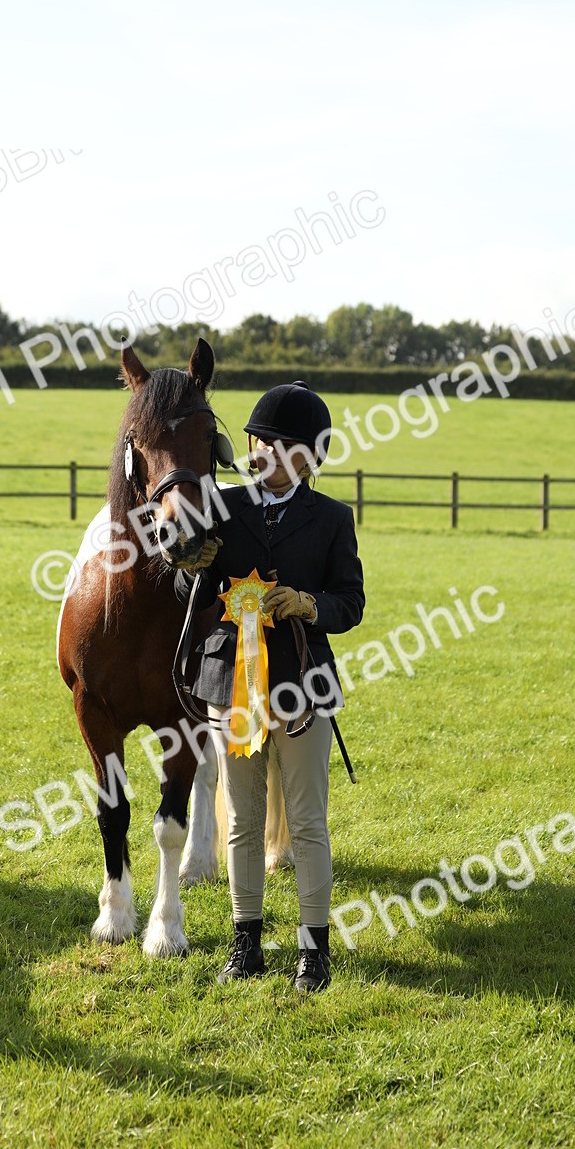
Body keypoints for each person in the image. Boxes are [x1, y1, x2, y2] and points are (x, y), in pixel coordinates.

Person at [174, 381, 365, 992]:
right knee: (242, 823)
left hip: (302, 686)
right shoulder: (225, 509)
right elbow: (191, 595)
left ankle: (314, 951)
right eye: (258, 443)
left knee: (307, 821)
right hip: (231, 683)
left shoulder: (334, 518)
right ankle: (245, 942)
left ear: (308, 457)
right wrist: (192, 570)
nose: (260, 454)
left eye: (277, 446)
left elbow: (351, 601)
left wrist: (310, 603)